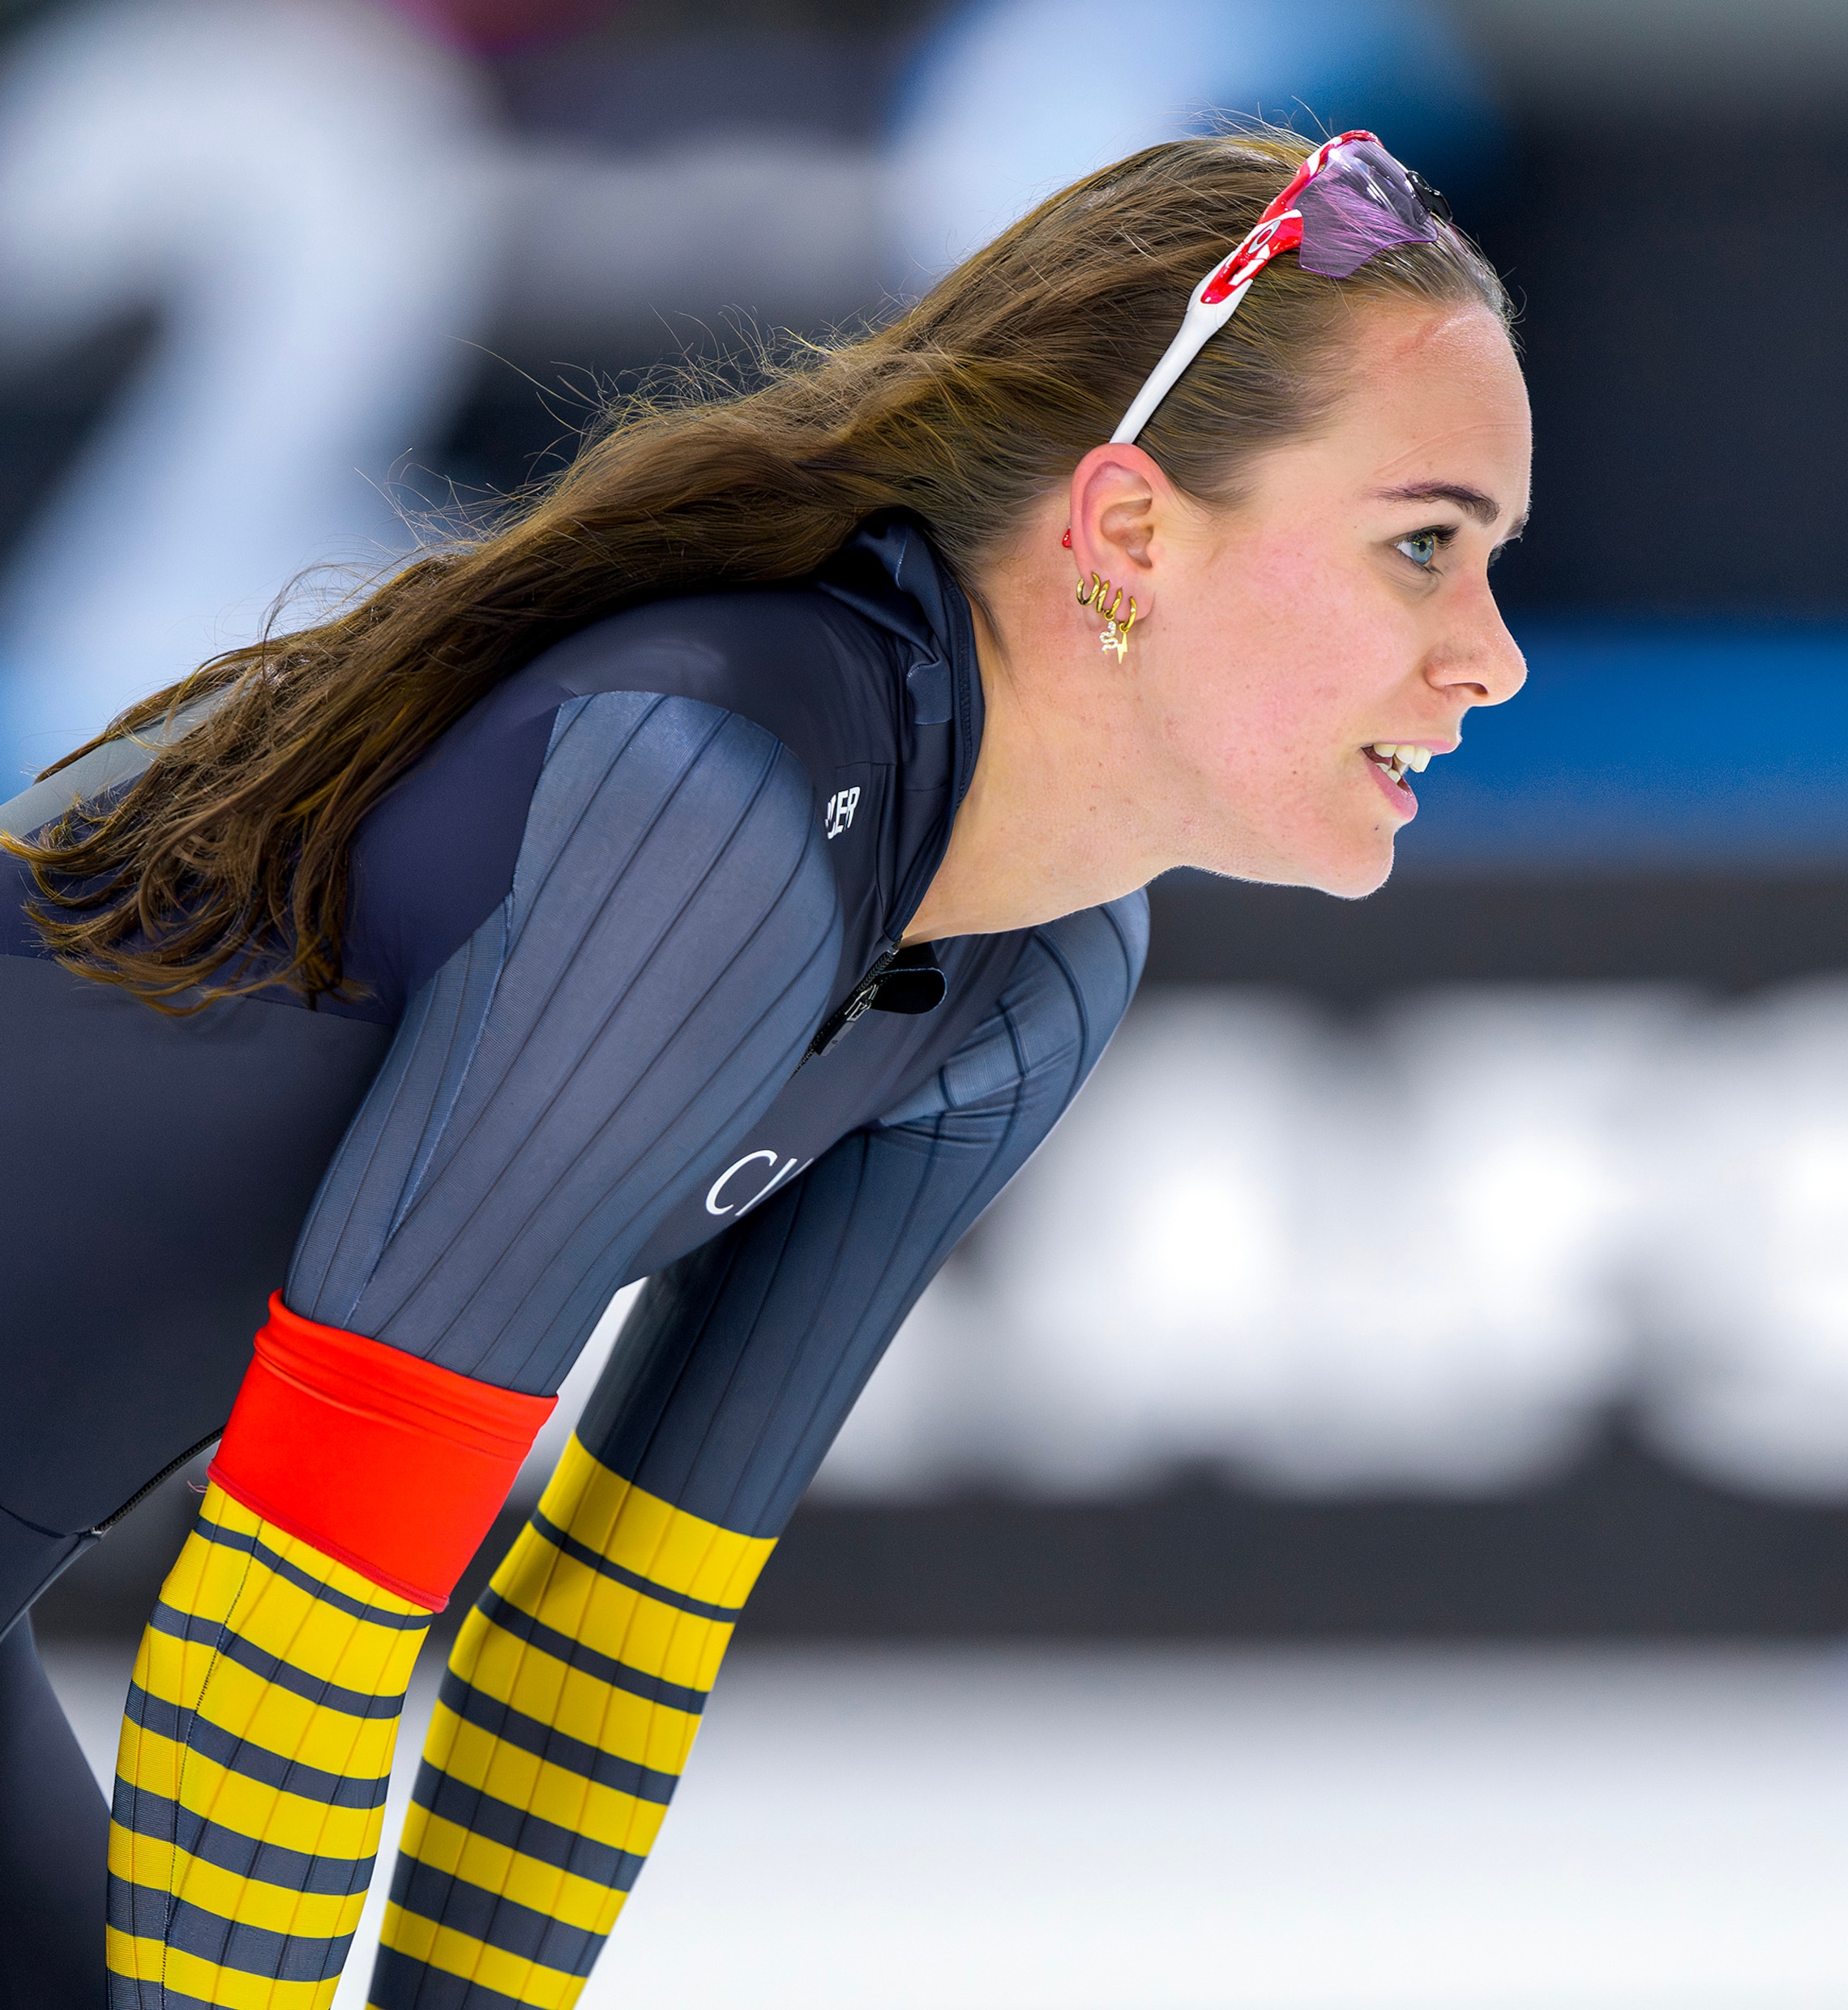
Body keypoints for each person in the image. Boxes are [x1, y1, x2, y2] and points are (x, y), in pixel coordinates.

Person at [0, 126, 1529, 2008]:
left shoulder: (1036, 962)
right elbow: (303, 1591)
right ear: (1127, 528)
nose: (1492, 654)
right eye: (1420, 547)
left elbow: (604, 1637)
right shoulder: (701, 790)